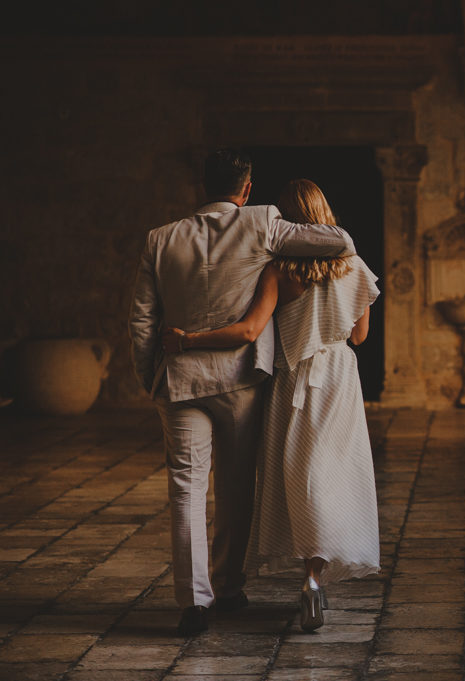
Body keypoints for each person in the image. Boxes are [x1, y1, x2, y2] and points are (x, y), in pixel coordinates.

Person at [129, 151, 357, 637]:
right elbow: (340, 241)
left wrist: (151, 375)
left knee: (186, 490)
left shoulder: (160, 239)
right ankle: (228, 587)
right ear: (247, 189)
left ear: (202, 185)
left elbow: (142, 320)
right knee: (235, 487)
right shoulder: (264, 223)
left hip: (180, 380)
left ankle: (194, 602)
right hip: (239, 379)